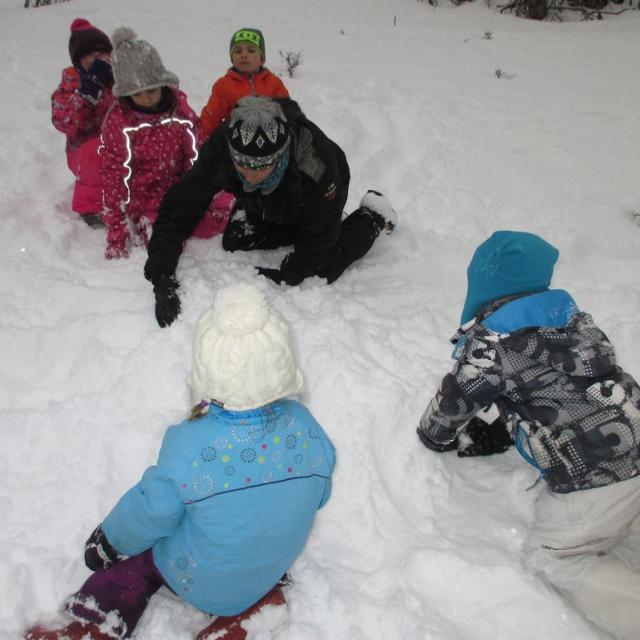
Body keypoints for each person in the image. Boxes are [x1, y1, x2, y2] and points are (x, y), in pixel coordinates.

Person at [25, 283, 336, 640]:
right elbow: (320, 494)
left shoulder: (191, 447)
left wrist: (110, 541)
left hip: (199, 577)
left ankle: (93, 622)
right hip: (267, 567)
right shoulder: (307, 428)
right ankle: (257, 602)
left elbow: (150, 512)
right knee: (248, 525)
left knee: (139, 562)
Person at [416, 230, 640, 640]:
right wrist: (509, 427)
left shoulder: (493, 341)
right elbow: (559, 388)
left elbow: (449, 410)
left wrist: (437, 436)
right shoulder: (574, 320)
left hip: (598, 475)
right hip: (633, 427)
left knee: (554, 558)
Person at [145, 96, 398, 327]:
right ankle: (301, 226)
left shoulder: (315, 165)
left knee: (319, 269)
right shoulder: (222, 148)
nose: (251, 173)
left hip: (318, 196)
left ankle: (370, 217)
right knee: (236, 239)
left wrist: (293, 272)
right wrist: (161, 273)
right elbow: (180, 205)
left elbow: (319, 237)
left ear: (281, 155)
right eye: (242, 163)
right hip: (266, 202)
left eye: (262, 165)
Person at [100, 28, 229, 260]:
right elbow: (114, 178)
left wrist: (201, 191)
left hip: (181, 186)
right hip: (145, 196)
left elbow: (197, 155)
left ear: (162, 82)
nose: (147, 98)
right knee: (164, 236)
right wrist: (116, 231)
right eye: (137, 94)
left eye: (151, 89)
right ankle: (151, 225)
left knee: (216, 215)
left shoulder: (179, 111)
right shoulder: (120, 123)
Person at [51, 18, 114, 228]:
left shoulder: (116, 81)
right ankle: (91, 205)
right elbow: (64, 121)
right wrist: (86, 93)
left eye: (105, 54)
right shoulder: (71, 84)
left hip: (118, 143)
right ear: (79, 60)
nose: (101, 60)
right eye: (93, 56)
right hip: (84, 151)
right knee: (95, 151)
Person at [200, 28, 289, 138]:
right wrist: (204, 143)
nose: (244, 55)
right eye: (238, 51)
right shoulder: (224, 86)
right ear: (232, 59)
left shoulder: (274, 83)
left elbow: (288, 113)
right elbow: (210, 119)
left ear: (262, 59)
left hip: (271, 143)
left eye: (251, 51)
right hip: (235, 144)